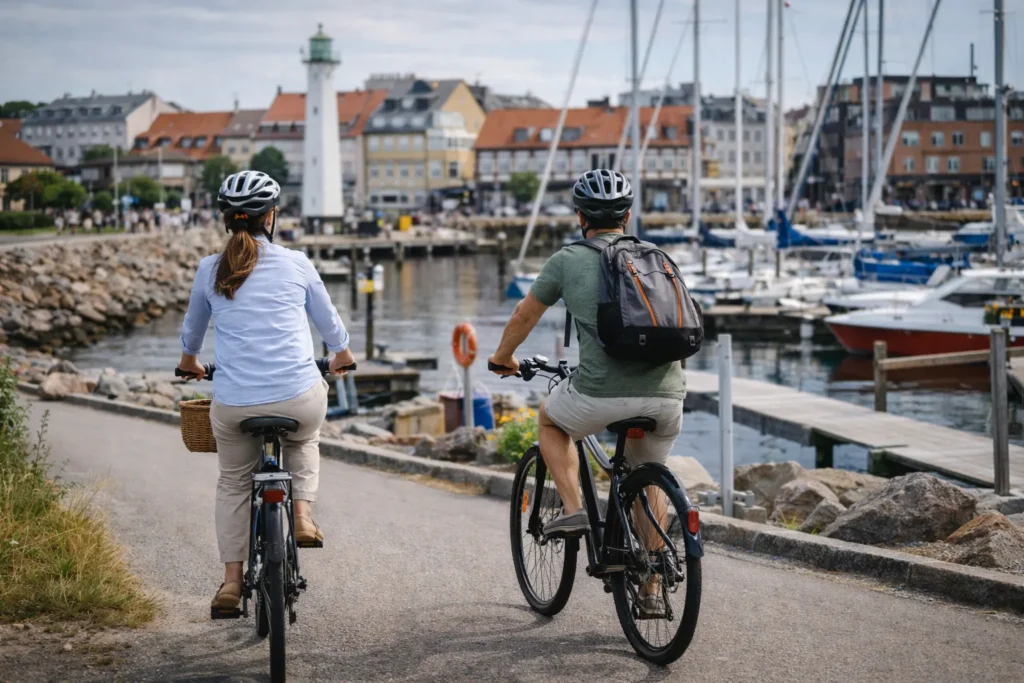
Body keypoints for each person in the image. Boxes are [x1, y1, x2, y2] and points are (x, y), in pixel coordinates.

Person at [488, 169, 686, 614]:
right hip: (668, 395)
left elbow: (525, 314)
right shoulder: (656, 257)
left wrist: (503, 357)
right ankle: (652, 587)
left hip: (599, 393)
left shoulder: (567, 259)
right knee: (649, 473)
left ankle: (574, 509)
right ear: (627, 216)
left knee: (551, 419)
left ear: (580, 217)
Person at [178, 170, 355, 615]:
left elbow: (192, 335)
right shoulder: (297, 262)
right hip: (298, 397)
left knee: (234, 482)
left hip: (235, 404)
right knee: (305, 437)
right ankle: (302, 517)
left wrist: (190, 364)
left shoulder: (209, 269)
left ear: (225, 219)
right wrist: (342, 356)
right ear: (271, 216)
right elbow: (330, 325)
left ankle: (231, 583)